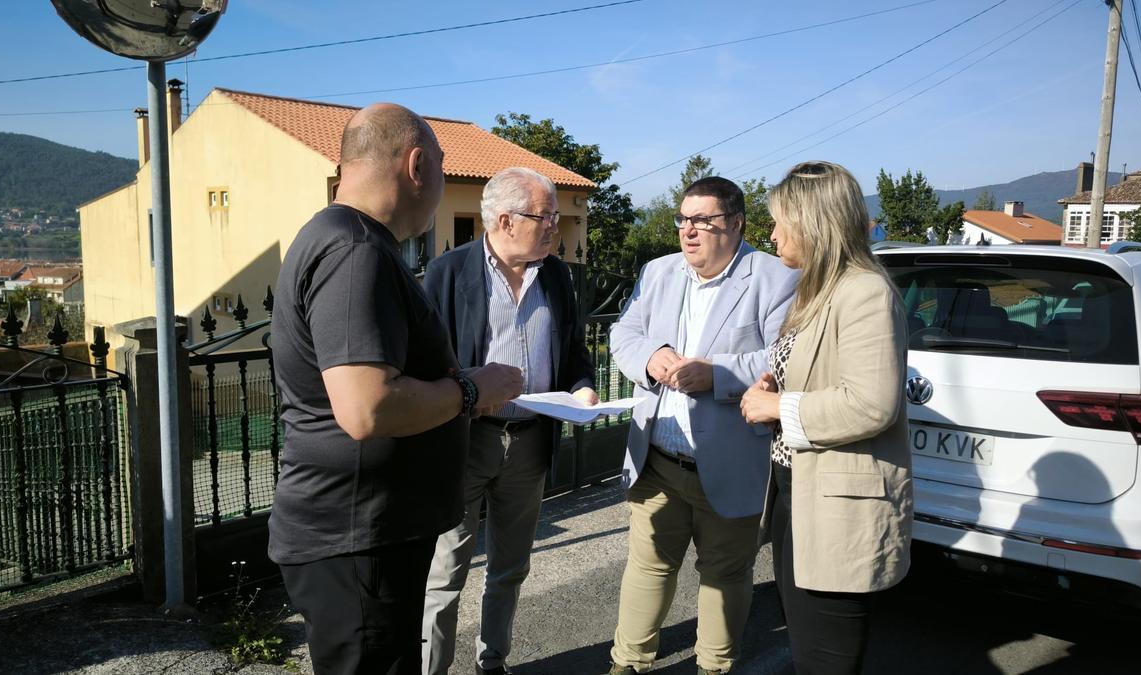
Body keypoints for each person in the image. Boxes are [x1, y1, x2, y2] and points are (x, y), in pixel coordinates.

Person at [268, 103, 524, 675]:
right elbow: (367, 407)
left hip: (365, 537)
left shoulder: (346, 240)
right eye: (442, 166)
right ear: (417, 166)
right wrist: (472, 389)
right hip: (358, 540)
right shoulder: (354, 251)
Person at [606, 176, 798, 674]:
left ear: (735, 224)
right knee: (648, 566)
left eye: (702, 220)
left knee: (725, 574)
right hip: (657, 459)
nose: (688, 231)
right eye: (683, 219)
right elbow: (623, 331)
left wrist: (717, 375)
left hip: (731, 461)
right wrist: (651, 356)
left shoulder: (776, 278)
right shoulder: (658, 272)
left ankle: (714, 666)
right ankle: (627, 662)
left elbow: (784, 358)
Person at [420, 166, 599, 675]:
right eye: (545, 216)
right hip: (465, 440)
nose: (555, 226)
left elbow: (574, 349)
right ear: (505, 220)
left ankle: (493, 660)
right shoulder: (449, 273)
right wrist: (468, 393)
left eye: (555, 216)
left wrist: (583, 386)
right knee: (445, 572)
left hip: (530, 443)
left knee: (511, 566)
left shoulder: (556, 275)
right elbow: (425, 361)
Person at [740, 160, 913, 675]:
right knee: (808, 649)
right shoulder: (819, 290)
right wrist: (778, 388)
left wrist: (779, 406)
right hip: (797, 490)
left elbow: (872, 403)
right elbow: (824, 376)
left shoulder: (864, 291)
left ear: (812, 222)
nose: (772, 235)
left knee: (825, 659)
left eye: (779, 223)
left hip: (836, 505)